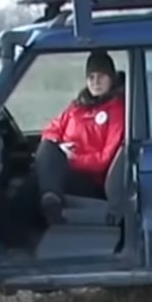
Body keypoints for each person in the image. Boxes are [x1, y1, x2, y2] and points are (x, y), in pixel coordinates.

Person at [33, 50, 126, 226]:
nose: (95, 82)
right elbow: (52, 129)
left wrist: (70, 159)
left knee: (34, 184)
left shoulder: (117, 110)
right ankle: (50, 201)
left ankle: (49, 206)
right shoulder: (78, 106)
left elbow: (104, 159)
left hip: (90, 179)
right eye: (91, 77)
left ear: (111, 78)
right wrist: (59, 148)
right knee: (46, 148)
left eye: (101, 76)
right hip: (66, 165)